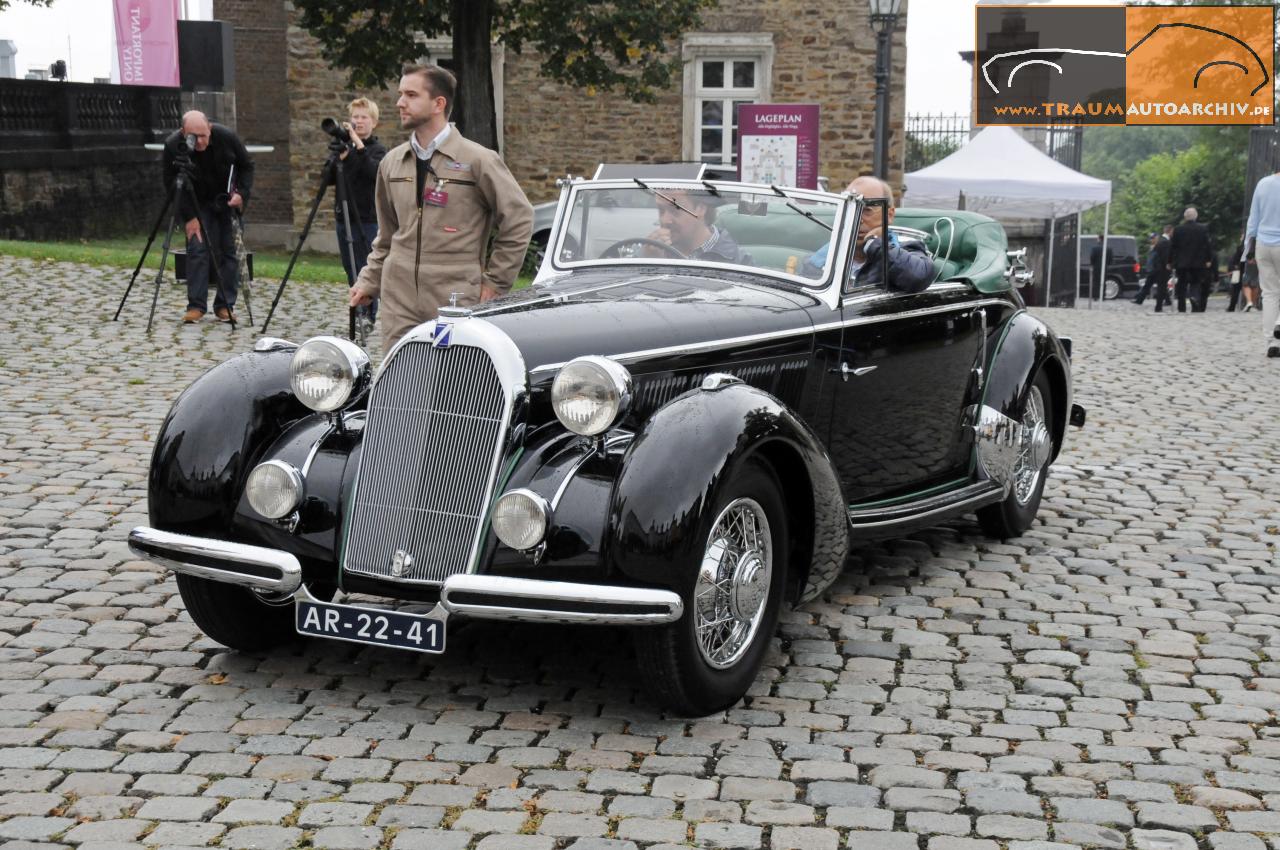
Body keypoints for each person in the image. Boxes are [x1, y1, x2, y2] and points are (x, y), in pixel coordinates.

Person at [349, 64, 533, 350]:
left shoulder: (478, 160)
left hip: (455, 296)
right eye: (400, 94)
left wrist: (496, 282)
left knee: (452, 383)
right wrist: (369, 281)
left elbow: (519, 218)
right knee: (401, 381)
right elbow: (387, 236)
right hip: (399, 298)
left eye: (411, 95)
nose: (400, 103)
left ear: (438, 104)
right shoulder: (392, 163)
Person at [162, 110, 254, 323]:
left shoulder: (226, 137)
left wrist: (242, 194)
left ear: (210, 129)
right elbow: (170, 184)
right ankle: (196, 306)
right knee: (197, 250)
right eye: (194, 136)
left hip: (226, 200)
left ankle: (225, 305)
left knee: (230, 252)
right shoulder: (173, 145)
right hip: (196, 203)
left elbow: (247, 166)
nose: (201, 141)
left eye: (204, 135)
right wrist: (188, 217)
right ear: (183, 132)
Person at [801, 176, 932, 292]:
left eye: (867, 210)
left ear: (889, 215)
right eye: (850, 210)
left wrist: (875, 244)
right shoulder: (822, 259)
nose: (856, 219)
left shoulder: (906, 249)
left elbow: (918, 277)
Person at [330, 97, 387, 323]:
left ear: (374, 122)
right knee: (349, 266)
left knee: (367, 266)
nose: (359, 122)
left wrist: (359, 148)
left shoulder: (378, 150)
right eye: (355, 117)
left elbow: (375, 174)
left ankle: (368, 314)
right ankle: (357, 305)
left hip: (367, 218)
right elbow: (329, 179)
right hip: (344, 217)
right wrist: (339, 157)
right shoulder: (345, 149)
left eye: (364, 117)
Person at [644, 189, 751, 264]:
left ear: (700, 209)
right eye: (661, 210)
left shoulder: (738, 260)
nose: (664, 220)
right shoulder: (652, 251)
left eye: (675, 210)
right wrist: (650, 263)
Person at [1246, 166, 1280, 357]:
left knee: (1269, 294)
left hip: (1263, 244)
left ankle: (1271, 343)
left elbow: (1253, 219)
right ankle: (1279, 323)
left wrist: (1247, 248)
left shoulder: (1263, 183)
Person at [1169, 206, 1214, 313]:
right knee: (1196, 282)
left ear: (1185, 217)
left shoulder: (1178, 229)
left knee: (1182, 284)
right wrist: (1209, 259)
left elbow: (1173, 247)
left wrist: (1170, 261)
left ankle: (1181, 307)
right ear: (1196, 216)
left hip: (1182, 262)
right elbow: (1207, 245)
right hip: (1198, 261)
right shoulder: (1202, 229)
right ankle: (1194, 298)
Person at [1133, 226, 1171, 310]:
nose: (1151, 240)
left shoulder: (1159, 245)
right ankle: (1140, 300)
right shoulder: (1152, 246)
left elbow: (1156, 259)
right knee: (1151, 285)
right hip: (1153, 269)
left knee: (1160, 286)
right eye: (1151, 238)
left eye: (1153, 238)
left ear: (1156, 238)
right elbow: (1150, 259)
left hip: (1156, 269)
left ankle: (1166, 301)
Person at [1088, 234, 1111, 301]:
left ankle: (1095, 296)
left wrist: (1092, 264)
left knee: (1096, 282)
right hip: (1105, 267)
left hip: (1096, 267)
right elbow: (1110, 259)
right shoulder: (1108, 249)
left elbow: (1092, 257)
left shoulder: (1095, 248)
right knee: (1103, 282)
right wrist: (1107, 265)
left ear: (1099, 239)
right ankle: (1103, 296)